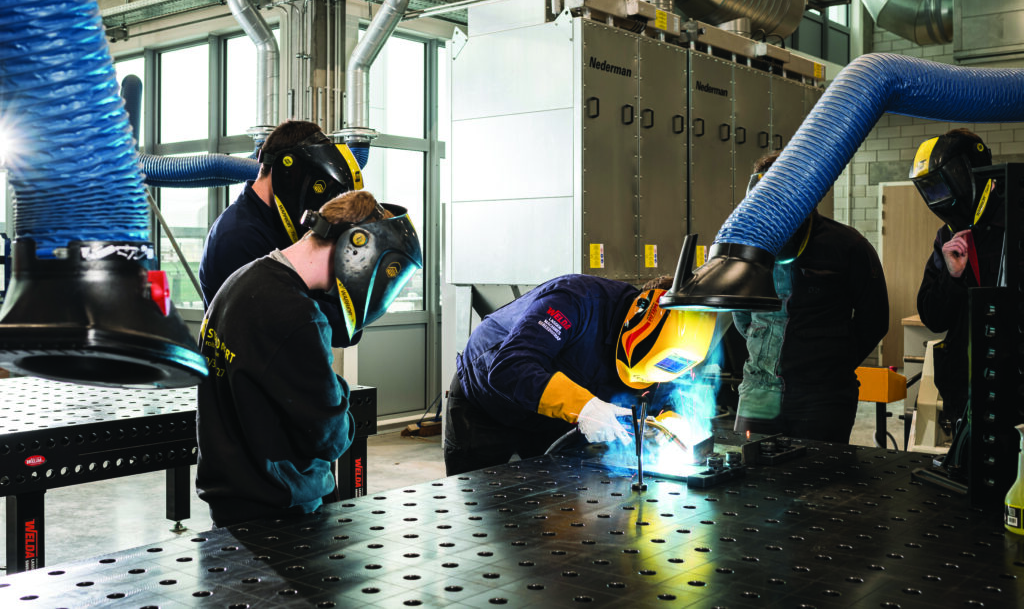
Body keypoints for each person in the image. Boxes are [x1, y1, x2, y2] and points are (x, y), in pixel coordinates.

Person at [196, 189, 422, 527]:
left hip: (232, 499)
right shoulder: (297, 316)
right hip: (279, 508)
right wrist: (339, 391)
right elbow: (331, 437)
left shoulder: (242, 280)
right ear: (357, 248)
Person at [443, 274, 718, 476]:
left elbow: (668, 395)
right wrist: (585, 407)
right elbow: (511, 368)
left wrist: (670, 423)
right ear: (640, 317)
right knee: (476, 514)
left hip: (554, 421)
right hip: (486, 406)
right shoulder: (576, 300)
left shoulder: (678, 345)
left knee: (551, 512)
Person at [732, 151, 889, 443]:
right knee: (751, 468)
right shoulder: (749, 246)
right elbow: (741, 313)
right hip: (758, 391)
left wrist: (832, 363)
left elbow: (875, 319)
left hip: (823, 398)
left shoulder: (848, 246)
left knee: (818, 471)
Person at [198, 120, 364, 345]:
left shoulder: (279, 226)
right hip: (249, 365)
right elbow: (295, 320)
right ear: (288, 173)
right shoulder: (238, 237)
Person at [912, 128, 1003, 426]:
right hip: (965, 395)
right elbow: (933, 318)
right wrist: (952, 277)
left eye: (943, 185)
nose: (940, 198)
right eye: (931, 190)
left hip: (1011, 389)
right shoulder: (947, 238)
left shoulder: (1013, 221)